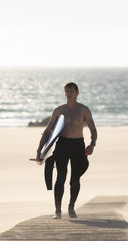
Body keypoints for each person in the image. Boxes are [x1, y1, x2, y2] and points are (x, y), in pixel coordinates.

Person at [35, 82, 97, 219]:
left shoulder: (84, 110)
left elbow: (93, 130)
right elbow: (48, 131)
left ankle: (71, 207)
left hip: (78, 146)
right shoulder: (59, 110)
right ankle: (57, 210)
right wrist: (40, 150)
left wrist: (92, 144)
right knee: (60, 177)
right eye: (66, 91)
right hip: (62, 144)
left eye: (71, 91)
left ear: (77, 93)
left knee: (75, 180)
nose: (68, 93)